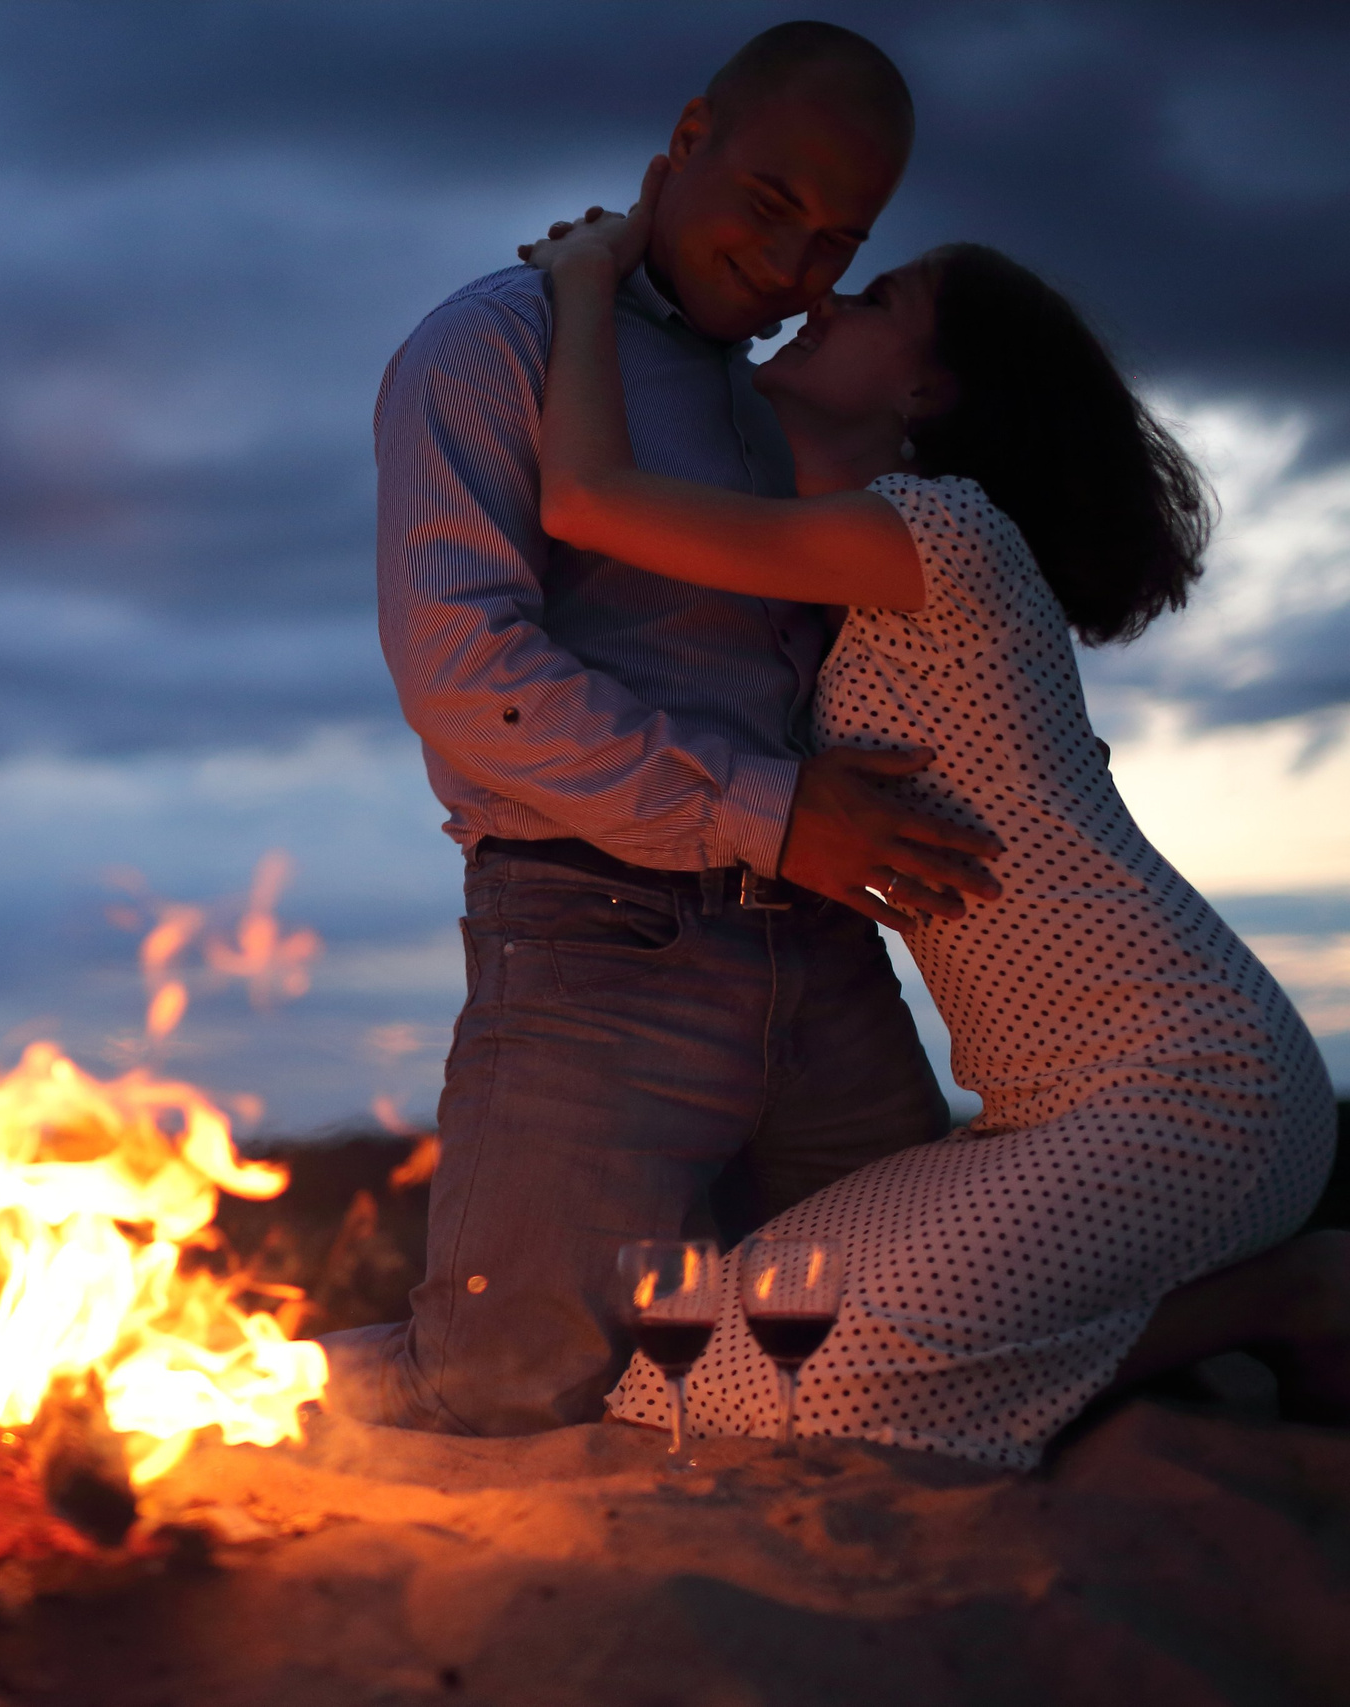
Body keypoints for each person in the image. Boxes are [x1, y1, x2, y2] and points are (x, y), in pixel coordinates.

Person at [520, 166, 1342, 1467]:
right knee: (720, 1348)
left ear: (926, 390)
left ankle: (1286, 1298)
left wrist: (579, 284)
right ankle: (1208, 1317)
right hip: (1053, 1110)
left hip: (1186, 1091)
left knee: (805, 1396)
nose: (831, 296)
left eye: (880, 293)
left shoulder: (939, 535)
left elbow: (586, 501)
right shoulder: (856, 559)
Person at [325, 21, 1001, 1435]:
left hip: (825, 956)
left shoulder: (789, 400)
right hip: (597, 949)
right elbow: (465, 670)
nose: (789, 266)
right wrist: (773, 806)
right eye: (769, 204)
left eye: (837, 242)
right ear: (690, 136)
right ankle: (159, 1399)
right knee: (519, 1380)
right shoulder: (490, 345)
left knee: (910, 1346)